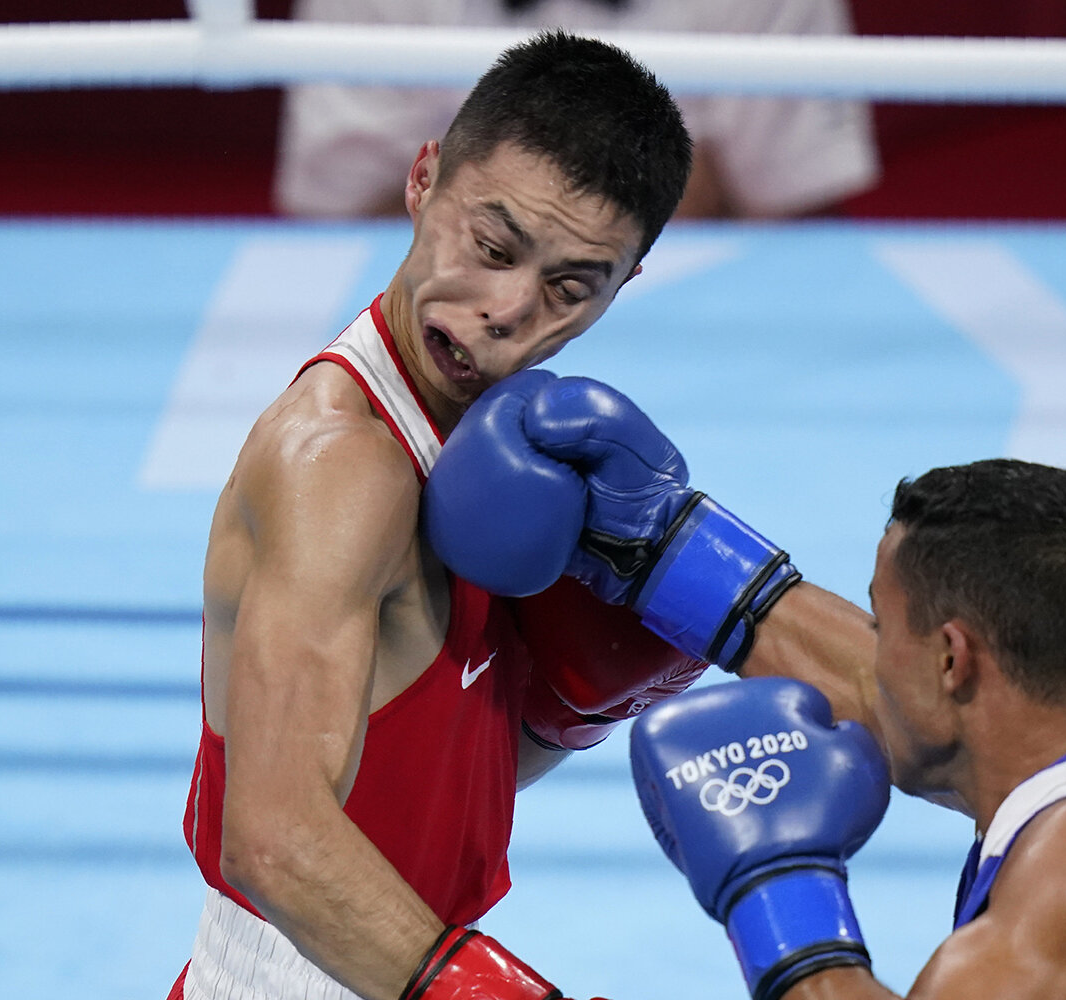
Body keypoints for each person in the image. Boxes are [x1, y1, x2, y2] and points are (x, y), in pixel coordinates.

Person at [424, 405, 1066, 999]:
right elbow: (864, 678)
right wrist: (662, 546)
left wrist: (779, 890)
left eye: (887, 628)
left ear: (955, 659)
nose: (871, 658)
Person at [167, 30, 701, 1000]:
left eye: (568, 287)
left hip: (397, 957)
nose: (507, 308)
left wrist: (572, 707)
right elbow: (275, 838)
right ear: (422, 179)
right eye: (492, 247)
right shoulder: (339, 464)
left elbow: (422, 783)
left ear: (623, 288)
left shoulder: (509, 455)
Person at [274, 0, 879, 220]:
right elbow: (342, 224)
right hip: (448, 327)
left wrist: (470, 181)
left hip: (698, 328)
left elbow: (796, 222)